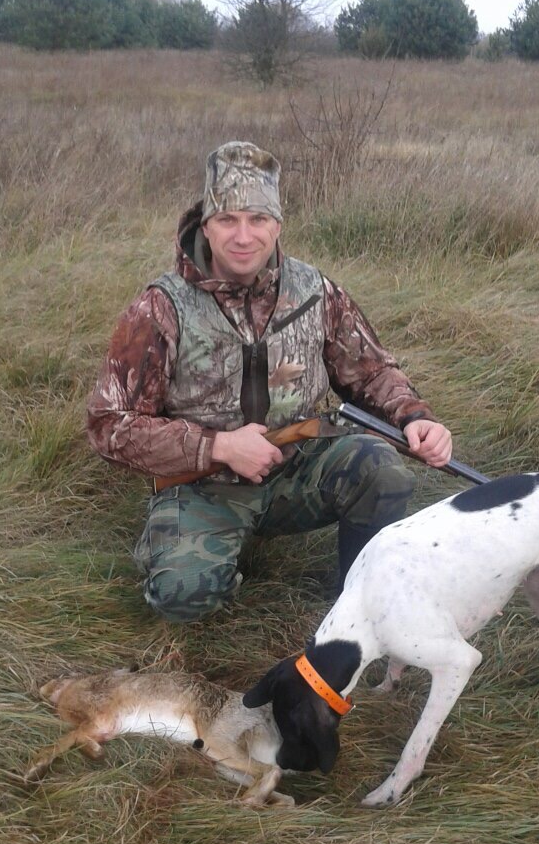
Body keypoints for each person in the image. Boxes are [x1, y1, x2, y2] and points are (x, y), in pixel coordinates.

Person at [87, 140, 452, 623]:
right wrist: (218, 447)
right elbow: (109, 425)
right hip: (204, 485)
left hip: (298, 466)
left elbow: (372, 371)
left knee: (383, 470)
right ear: (205, 224)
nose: (244, 236)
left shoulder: (314, 291)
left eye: (258, 219)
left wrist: (414, 417)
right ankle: (187, 546)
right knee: (182, 595)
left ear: (277, 224)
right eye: (228, 219)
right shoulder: (160, 307)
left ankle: (361, 600)